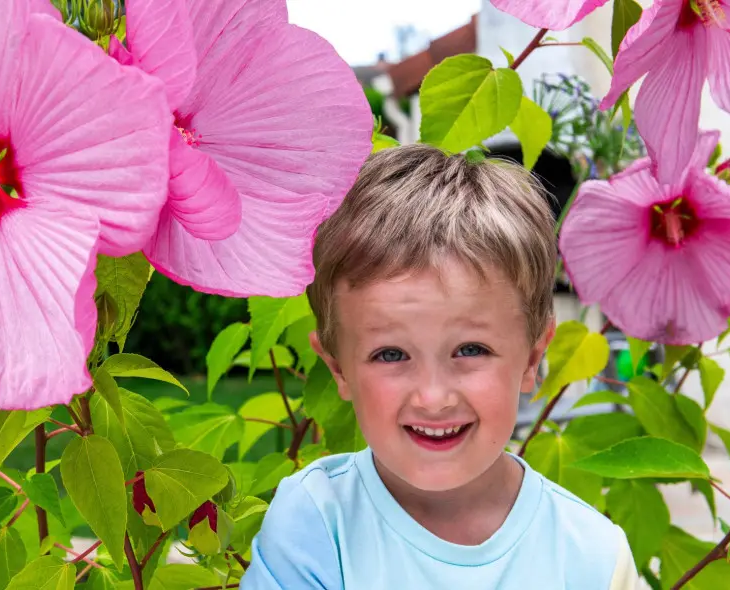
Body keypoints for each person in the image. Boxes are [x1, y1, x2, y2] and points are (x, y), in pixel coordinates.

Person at [240, 145, 638, 589]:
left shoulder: (594, 558)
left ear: (532, 356)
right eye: (391, 354)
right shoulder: (315, 523)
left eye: (470, 349)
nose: (433, 397)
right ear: (338, 368)